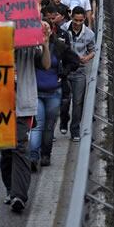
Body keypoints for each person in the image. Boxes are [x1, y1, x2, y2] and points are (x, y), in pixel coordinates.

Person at [2, 32, 51, 212]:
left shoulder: (29, 45)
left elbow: (46, 65)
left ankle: (19, 196)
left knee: (20, 147)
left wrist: (45, 44)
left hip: (22, 105)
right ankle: (10, 188)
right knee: (6, 151)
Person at [29, 21, 79, 168]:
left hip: (54, 92)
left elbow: (74, 61)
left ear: (51, 30)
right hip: (36, 92)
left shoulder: (58, 46)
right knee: (38, 125)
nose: (44, 31)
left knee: (49, 127)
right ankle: (33, 156)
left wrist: (63, 73)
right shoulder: (31, 47)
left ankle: (45, 155)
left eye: (47, 28)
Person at [62, 6, 95, 141]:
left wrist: (86, 58)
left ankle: (75, 130)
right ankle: (64, 120)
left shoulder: (89, 34)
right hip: (64, 69)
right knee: (64, 100)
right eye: (76, 20)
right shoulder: (63, 29)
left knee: (78, 102)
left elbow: (92, 50)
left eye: (81, 21)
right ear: (72, 18)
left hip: (79, 70)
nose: (78, 23)